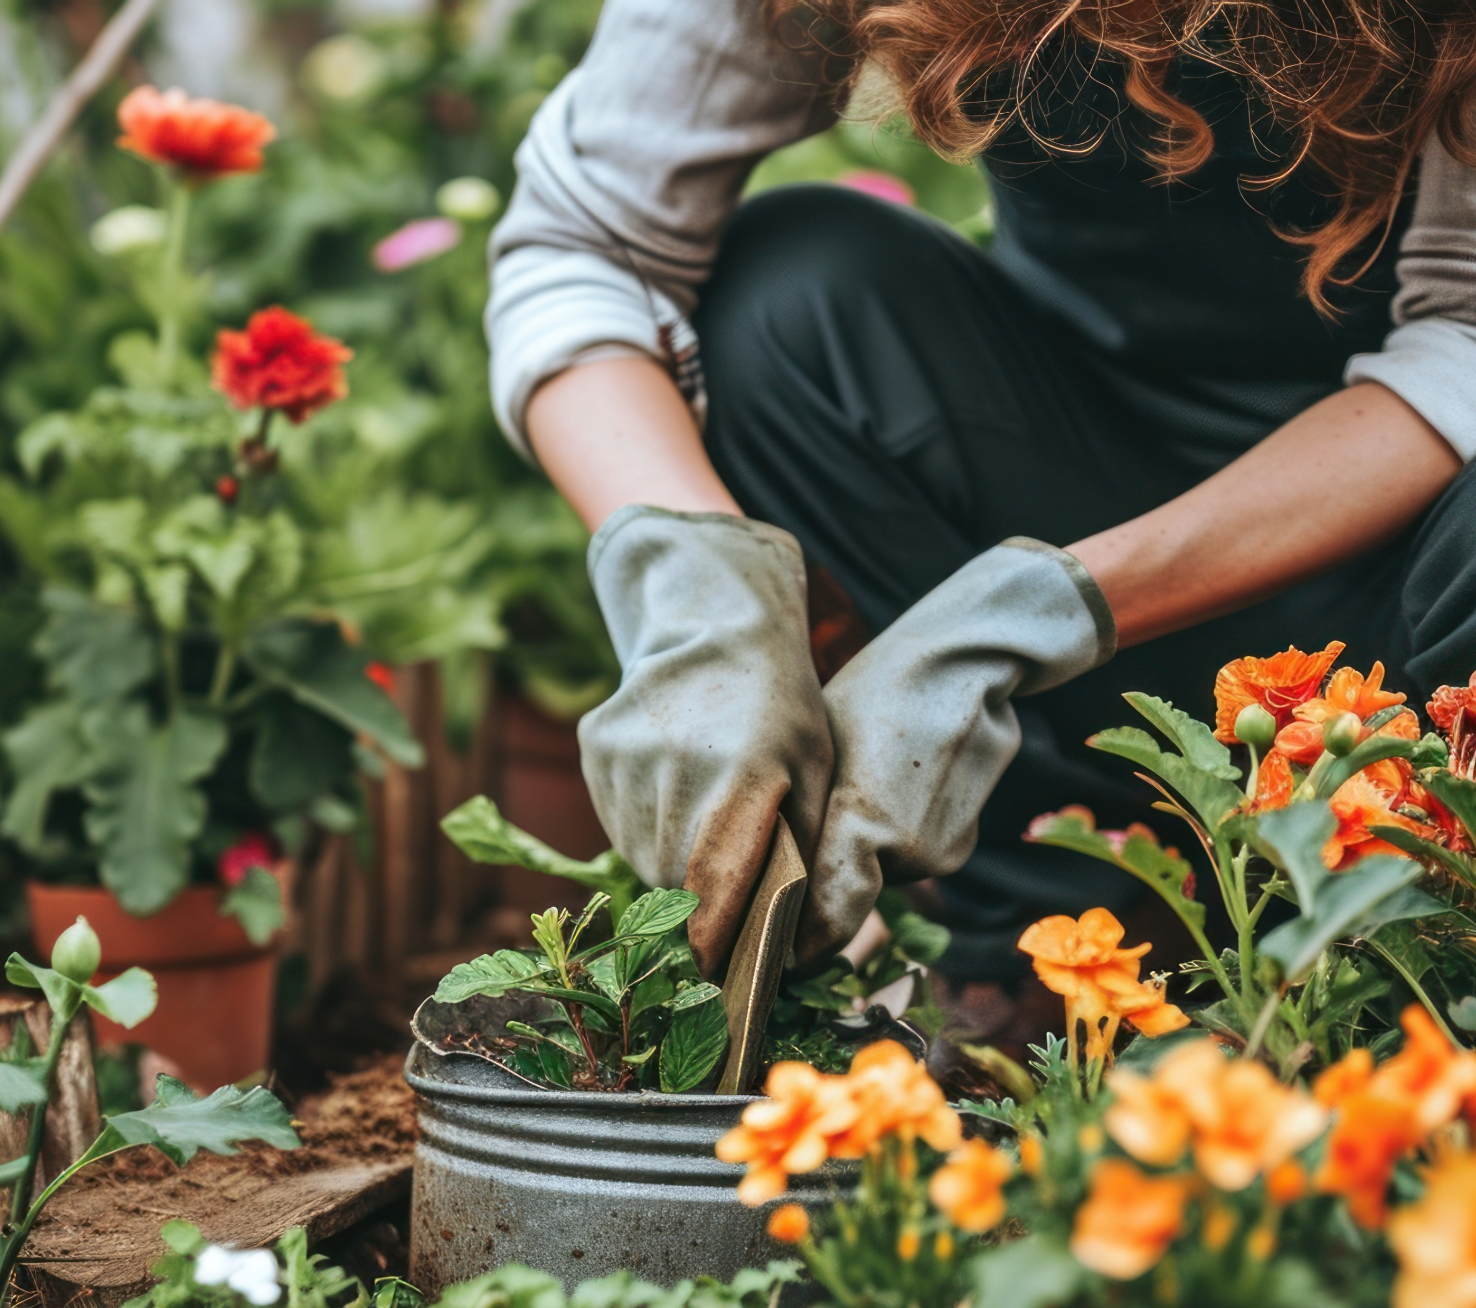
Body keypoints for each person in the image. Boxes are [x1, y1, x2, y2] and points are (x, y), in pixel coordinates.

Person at [485, 0, 1476, 996]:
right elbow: (584, 242)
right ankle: (1051, 943)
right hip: (1068, 474)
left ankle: (1413, 975)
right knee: (786, 299)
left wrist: (1041, 609)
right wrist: (697, 601)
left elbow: (1467, 342)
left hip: (1413, 571)